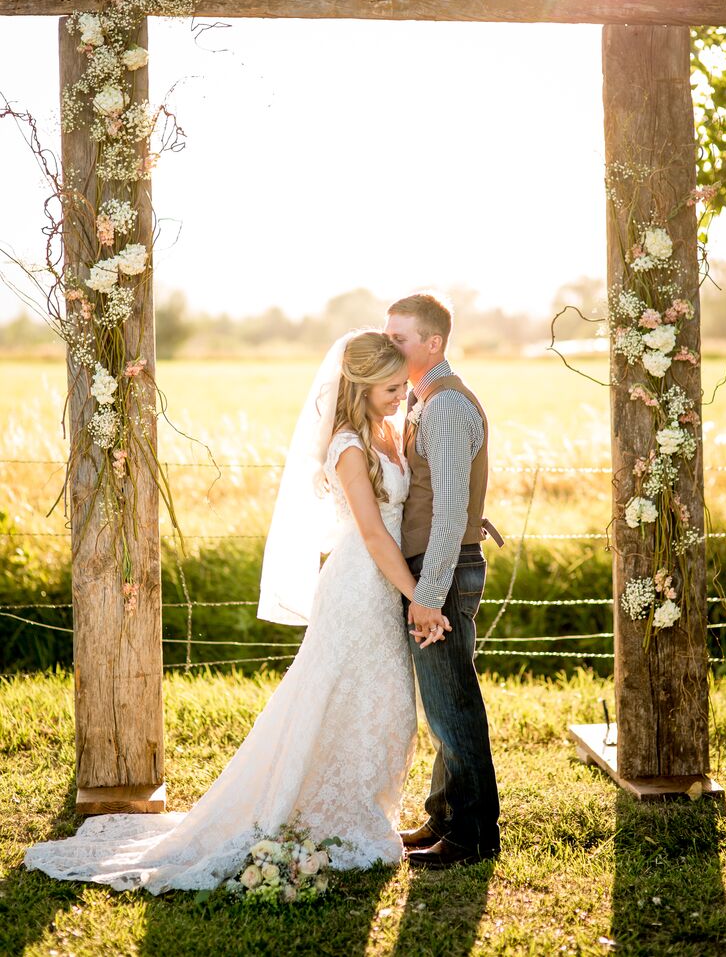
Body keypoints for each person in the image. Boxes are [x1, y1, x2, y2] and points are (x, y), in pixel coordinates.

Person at [23, 331, 450, 893]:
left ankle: (358, 810)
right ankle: (323, 814)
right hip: (360, 585)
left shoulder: (390, 429)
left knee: (384, 699)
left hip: (387, 581)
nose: (402, 395)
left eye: (403, 386)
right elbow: (371, 532)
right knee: (340, 693)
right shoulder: (348, 446)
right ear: (362, 387)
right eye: (391, 388)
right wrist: (418, 594)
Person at [385, 294, 502, 868]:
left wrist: (427, 597)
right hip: (440, 565)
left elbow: (451, 511)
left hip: (444, 572)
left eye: (401, 337)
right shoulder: (424, 399)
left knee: (453, 701)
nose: (391, 346)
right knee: (443, 700)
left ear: (433, 343)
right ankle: (444, 814)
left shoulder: (447, 406)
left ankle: (474, 835)